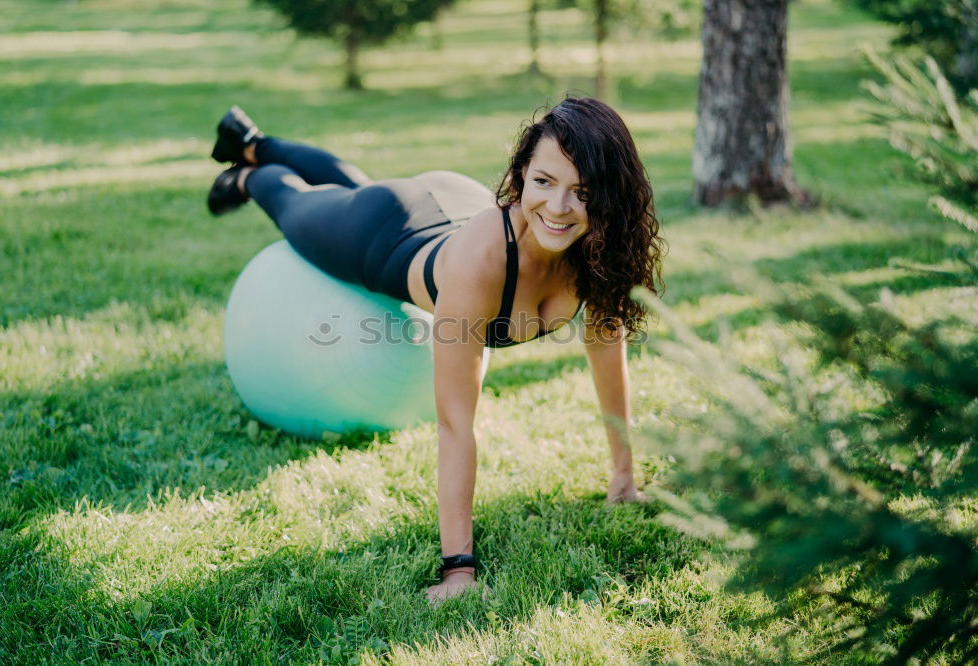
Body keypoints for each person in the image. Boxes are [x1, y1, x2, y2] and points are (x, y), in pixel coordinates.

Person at [206, 97, 665, 604]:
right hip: (383, 230)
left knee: (353, 187)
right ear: (520, 178)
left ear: (611, 196)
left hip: (451, 200)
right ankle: (248, 171)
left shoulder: (601, 251)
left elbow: (606, 351)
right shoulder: (481, 265)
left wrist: (624, 473)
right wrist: (458, 570)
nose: (558, 207)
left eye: (582, 192)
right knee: (299, 205)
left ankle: (251, 139)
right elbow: (453, 423)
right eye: (544, 182)